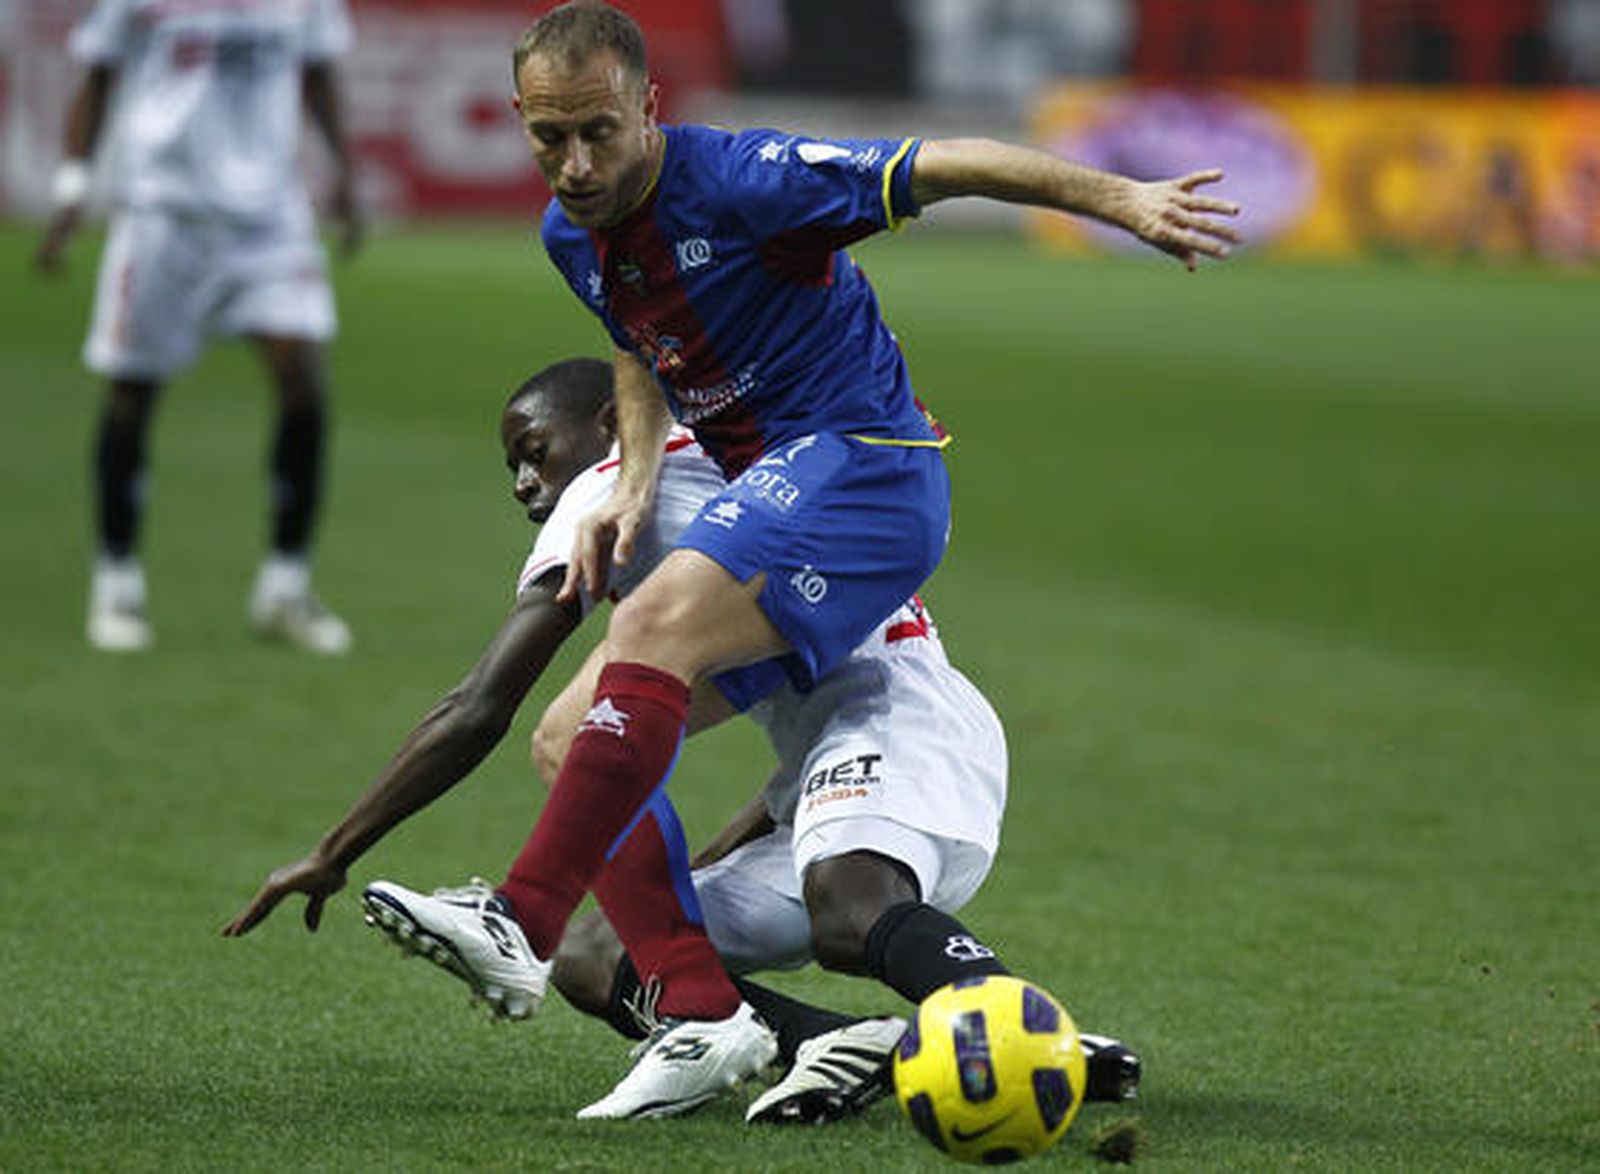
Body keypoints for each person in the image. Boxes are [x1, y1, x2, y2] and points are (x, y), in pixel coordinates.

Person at [366, 0, 1237, 1097]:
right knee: (569, 733)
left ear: (649, 105)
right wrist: (636, 475)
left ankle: (521, 918)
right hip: (783, 500)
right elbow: (637, 340)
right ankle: (704, 1014)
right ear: (518, 122)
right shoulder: (569, 237)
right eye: (549, 138)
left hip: (866, 461)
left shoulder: (745, 180)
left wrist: (1122, 198)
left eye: (598, 130)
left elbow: (944, 162)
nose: (575, 163)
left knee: (650, 626)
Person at [223, 358, 1140, 1120]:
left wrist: (335, 850)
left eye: (534, 450)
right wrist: (726, 848)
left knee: (838, 903)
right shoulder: (722, 499)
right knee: (599, 957)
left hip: (909, 728)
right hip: (841, 779)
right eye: (512, 469)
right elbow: (772, 707)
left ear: (609, 428)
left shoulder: (617, 492)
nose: (525, 484)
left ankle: (1026, 1030)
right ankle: (866, 1049)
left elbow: (480, 704)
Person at [35, 0, 362, 654]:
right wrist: (73, 191)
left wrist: (342, 176)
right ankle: (117, 583)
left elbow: (318, 72)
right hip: (162, 214)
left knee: (304, 383)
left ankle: (284, 585)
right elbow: (98, 75)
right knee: (132, 393)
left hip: (269, 216)